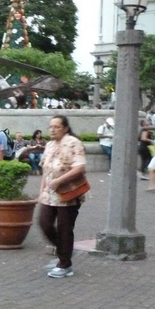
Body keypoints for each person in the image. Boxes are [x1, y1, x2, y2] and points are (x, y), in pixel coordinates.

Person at [38, 115, 86, 279]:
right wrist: (42, 191)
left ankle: (65, 264)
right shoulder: (49, 145)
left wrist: (59, 180)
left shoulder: (74, 143)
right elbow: (46, 170)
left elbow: (79, 168)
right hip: (50, 194)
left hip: (69, 193)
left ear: (65, 128)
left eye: (56, 127)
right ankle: (65, 251)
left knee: (65, 228)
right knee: (44, 223)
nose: (52, 130)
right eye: (50, 127)